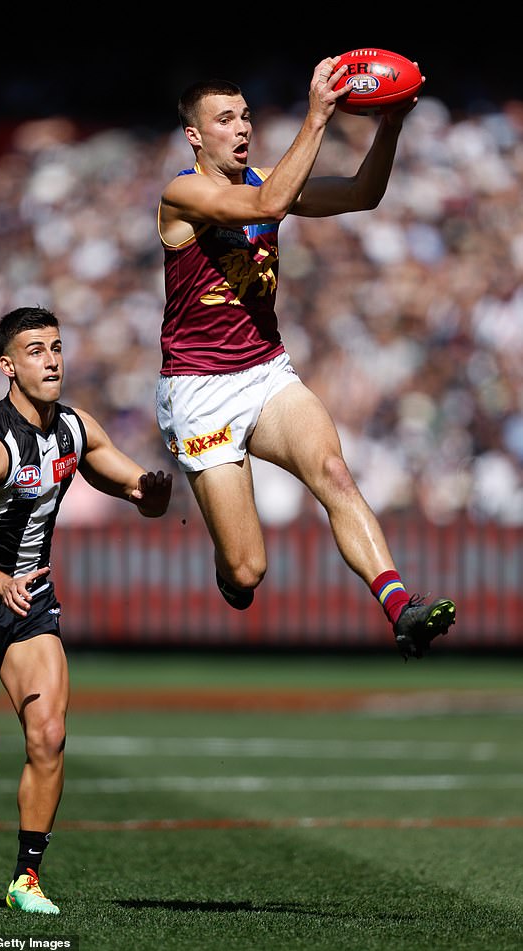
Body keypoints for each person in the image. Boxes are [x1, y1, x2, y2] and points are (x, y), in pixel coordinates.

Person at [156, 56, 456, 659]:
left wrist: (389, 125)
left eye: (245, 117)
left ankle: (401, 608)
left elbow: (362, 194)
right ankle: (227, 565)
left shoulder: (267, 178)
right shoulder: (182, 192)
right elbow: (269, 206)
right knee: (247, 572)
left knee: (334, 473)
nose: (241, 129)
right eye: (224, 120)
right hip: (199, 387)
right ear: (195, 135)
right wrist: (317, 117)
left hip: (266, 371)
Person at [0, 306, 173, 916]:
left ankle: (26, 877)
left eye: (56, 347)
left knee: (50, 735)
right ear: (8, 366)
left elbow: (125, 480)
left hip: (30, 606)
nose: (52, 359)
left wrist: (149, 490)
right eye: (35, 350)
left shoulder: (75, 428)